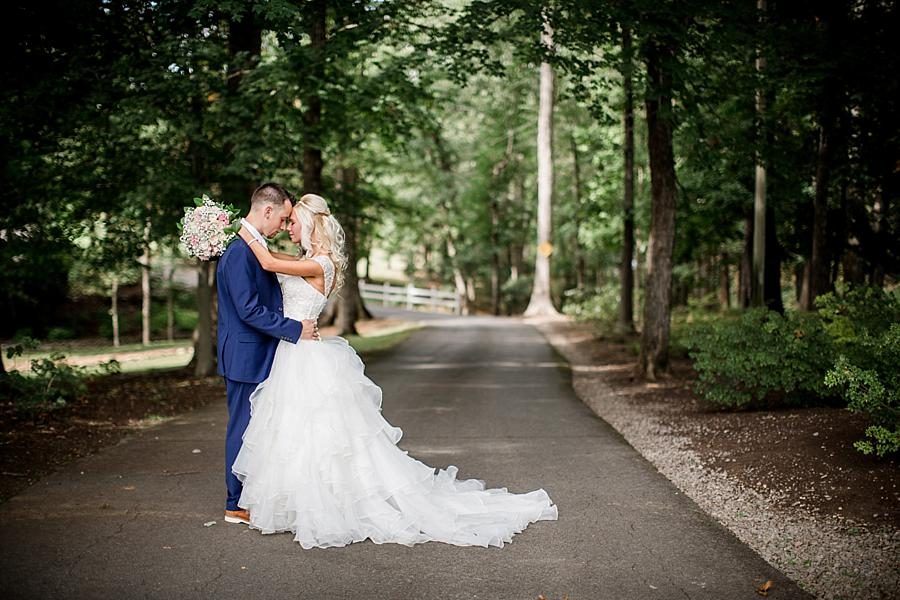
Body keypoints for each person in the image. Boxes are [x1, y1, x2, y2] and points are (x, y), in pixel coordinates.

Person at [231, 192, 558, 549]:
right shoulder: (307, 259)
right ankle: (296, 502)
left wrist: (237, 228)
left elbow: (265, 260)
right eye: (286, 220)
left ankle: (329, 505)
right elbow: (272, 258)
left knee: (322, 435)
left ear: (309, 224)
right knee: (296, 432)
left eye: (293, 221)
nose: (288, 226)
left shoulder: (320, 264)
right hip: (292, 353)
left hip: (305, 354)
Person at [216, 183, 320, 526]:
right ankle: (235, 503)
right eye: (283, 219)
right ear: (267, 211)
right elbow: (248, 310)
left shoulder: (254, 247)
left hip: (261, 352)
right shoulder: (239, 252)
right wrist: (294, 329)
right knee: (242, 428)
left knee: (258, 428)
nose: (283, 227)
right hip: (245, 355)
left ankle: (251, 495)